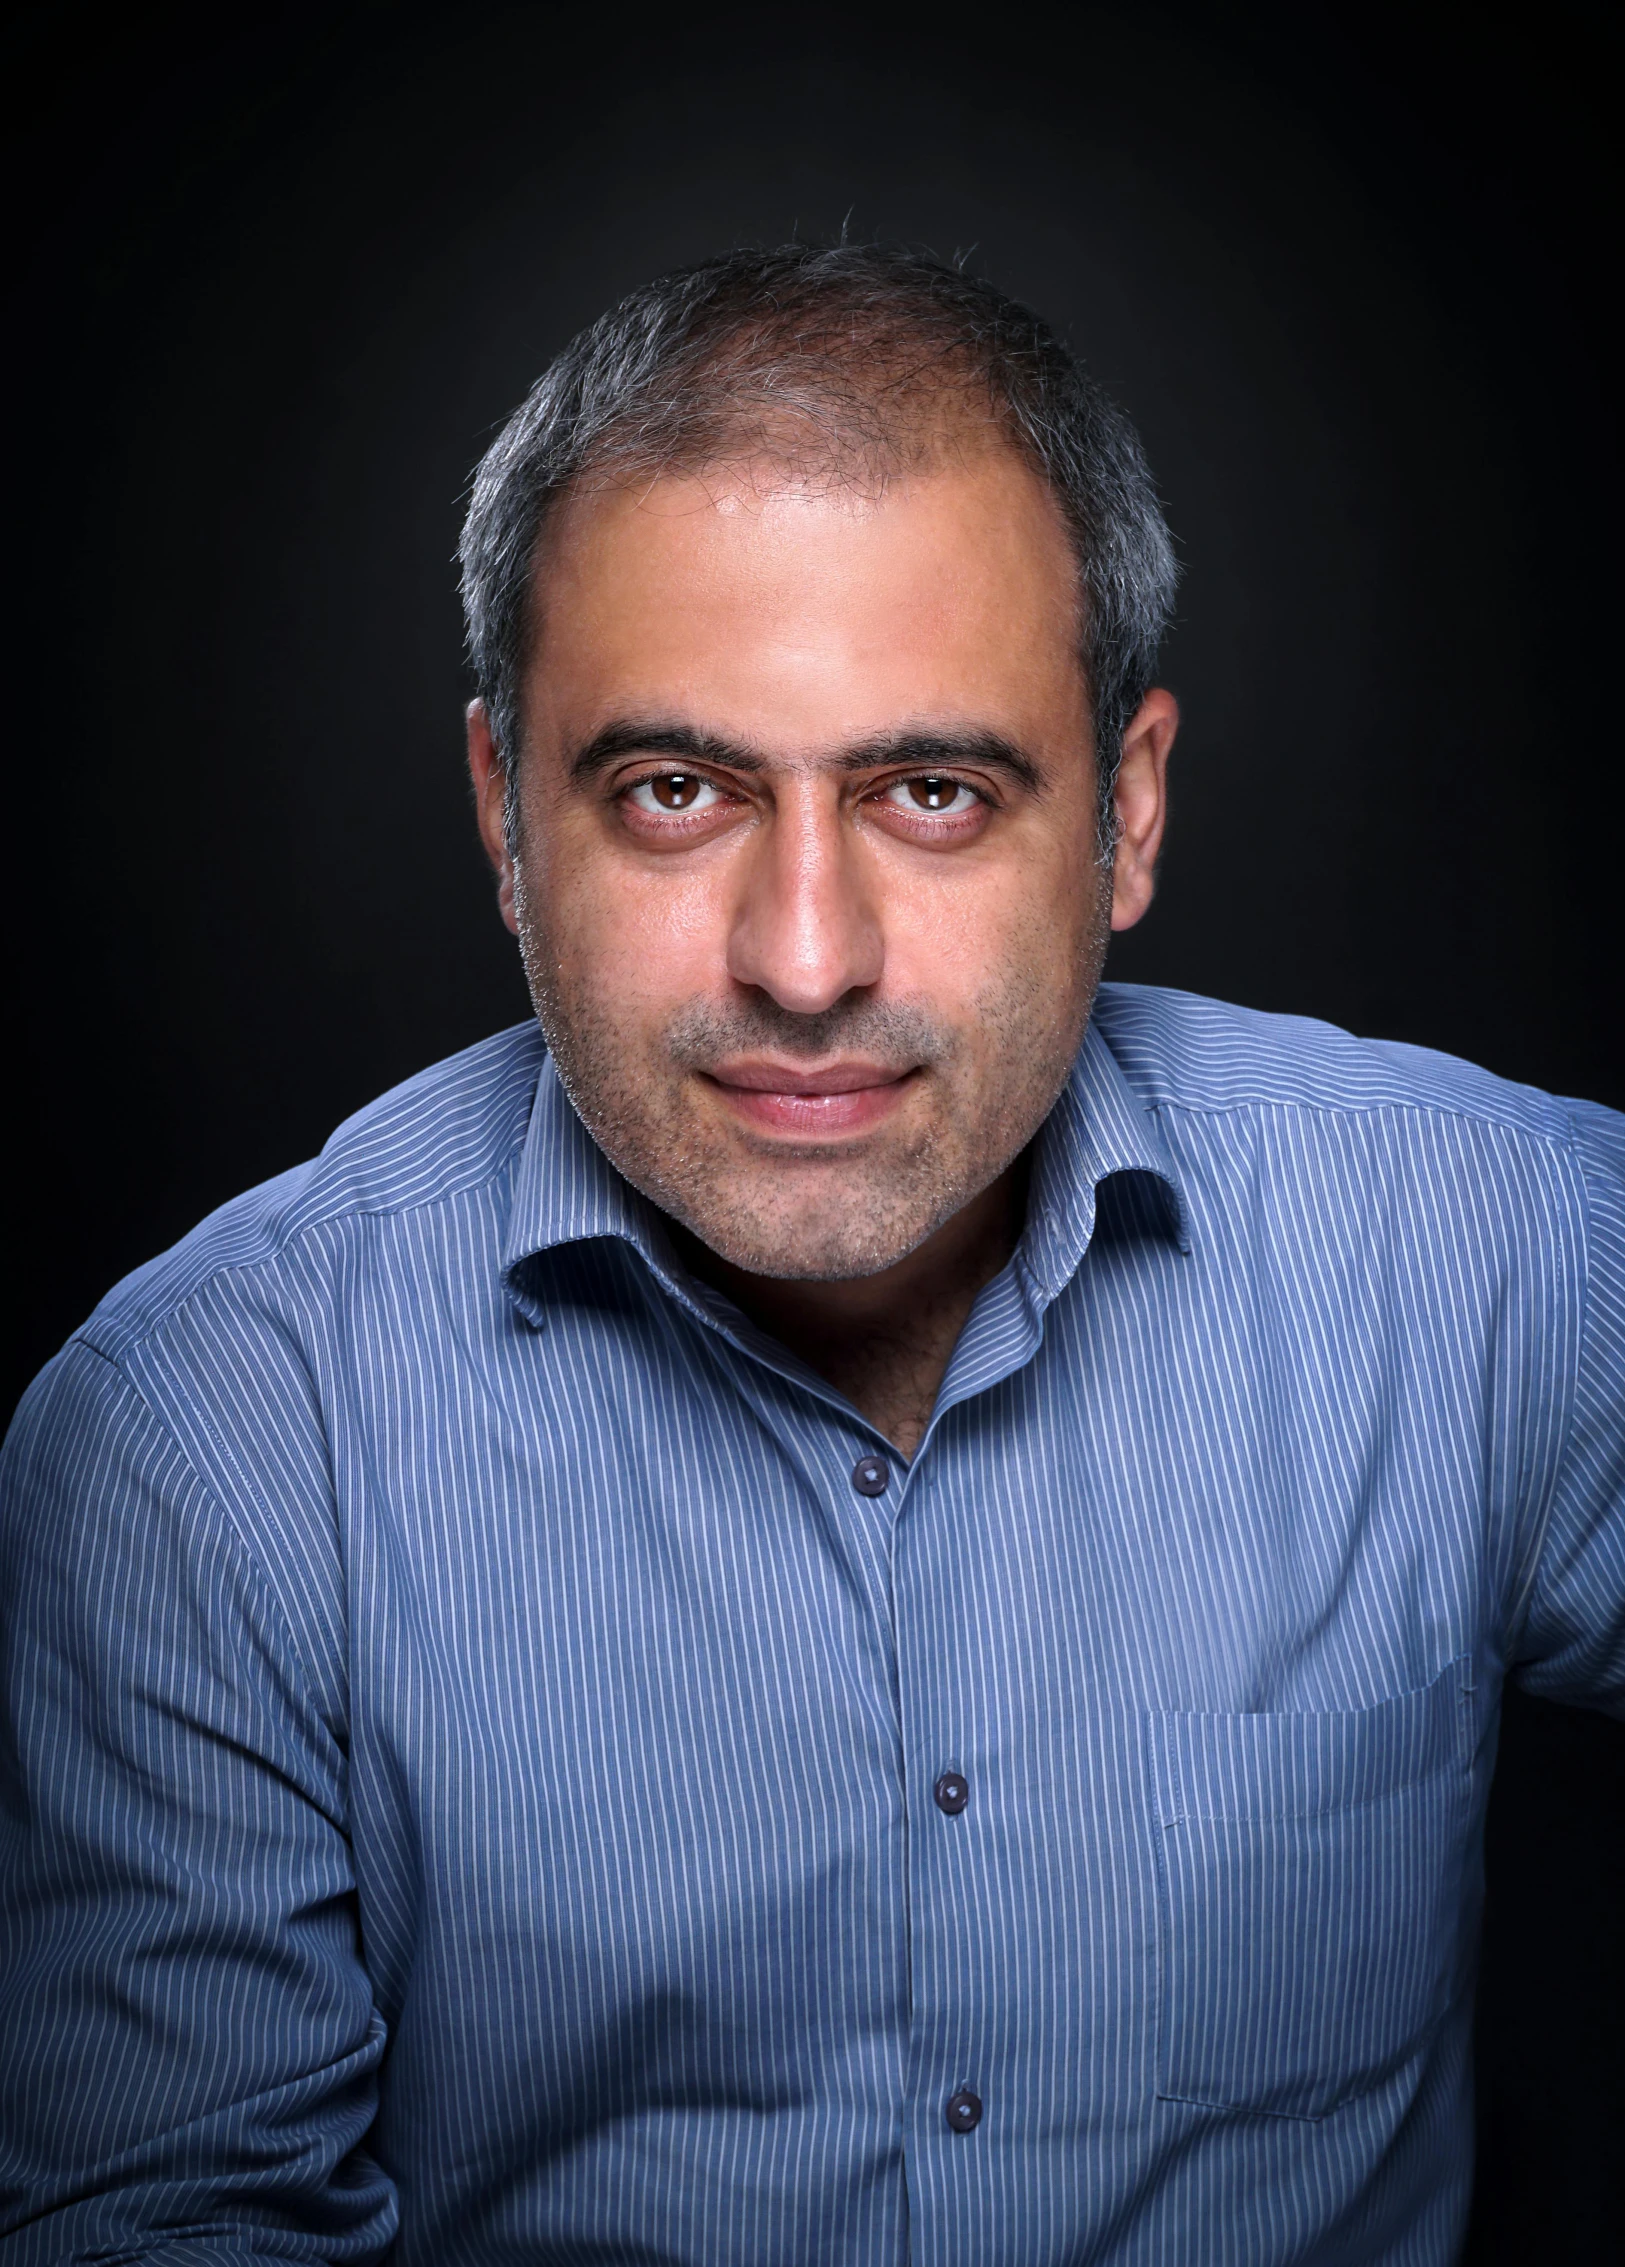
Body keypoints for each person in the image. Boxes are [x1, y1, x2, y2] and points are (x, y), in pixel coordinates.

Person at [1, 242, 1620, 2267]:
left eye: (930, 792)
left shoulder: (1484, 1254)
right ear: (505, 811)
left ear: (1122, 815)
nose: (801, 958)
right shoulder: (198, 1442)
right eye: (672, 791)